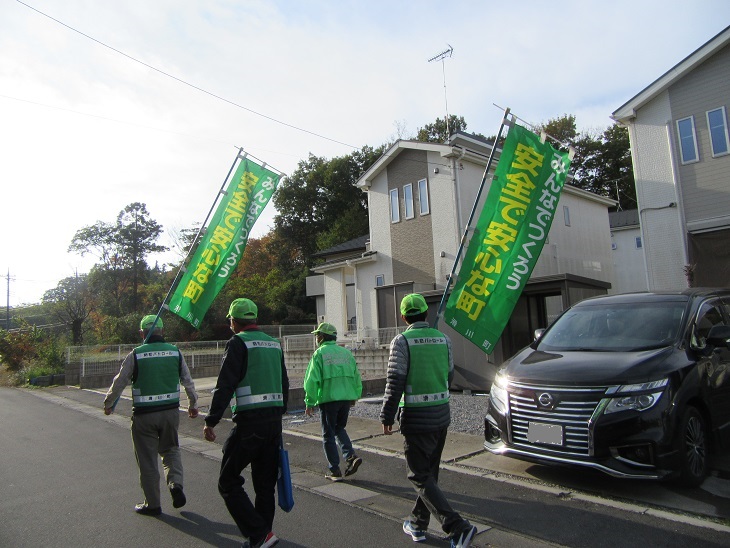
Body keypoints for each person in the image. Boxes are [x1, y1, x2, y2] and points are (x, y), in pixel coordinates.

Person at [380, 294, 477, 548]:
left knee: (418, 475)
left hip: (416, 418)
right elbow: (449, 373)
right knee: (429, 473)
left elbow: (395, 382)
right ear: (425, 314)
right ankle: (417, 524)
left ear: (403, 317)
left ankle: (457, 527)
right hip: (441, 415)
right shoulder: (443, 339)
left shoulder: (401, 341)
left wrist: (387, 415)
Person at [203, 298, 289, 548]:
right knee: (265, 486)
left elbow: (225, 384)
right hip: (274, 423)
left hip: (250, 424)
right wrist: (279, 412)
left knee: (228, 481)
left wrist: (211, 420)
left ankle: (259, 534)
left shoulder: (238, 343)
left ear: (234, 321)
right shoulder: (274, 344)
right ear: (254, 319)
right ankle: (262, 536)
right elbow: (284, 383)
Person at [103, 315, 199, 516]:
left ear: (142, 333)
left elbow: (119, 381)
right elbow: (188, 381)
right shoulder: (175, 352)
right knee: (171, 451)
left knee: (147, 460)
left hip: (144, 417)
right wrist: (193, 404)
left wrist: (109, 403)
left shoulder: (136, 354)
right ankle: (175, 485)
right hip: (170, 413)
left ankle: (153, 504)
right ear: (162, 332)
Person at [304, 322, 363, 481]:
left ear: (322, 337)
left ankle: (334, 470)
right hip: (346, 398)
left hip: (329, 399)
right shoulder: (346, 353)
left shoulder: (320, 354)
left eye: (317, 335)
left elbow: (311, 380)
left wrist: (309, 401)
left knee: (328, 434)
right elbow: (356, 376)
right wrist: (355, 395)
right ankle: (350, 456)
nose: (316, 338)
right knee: (339, 428)